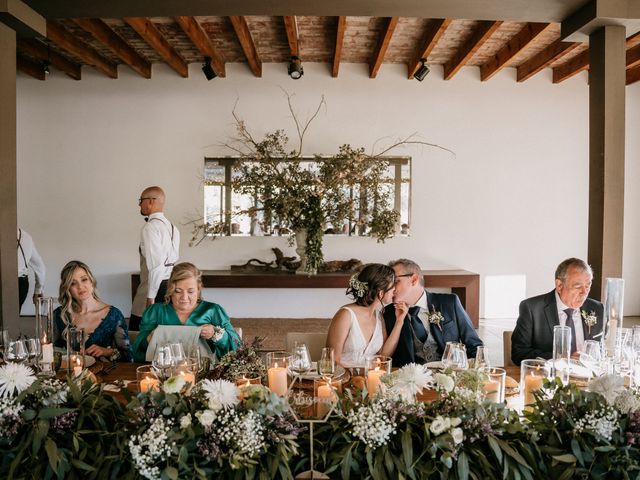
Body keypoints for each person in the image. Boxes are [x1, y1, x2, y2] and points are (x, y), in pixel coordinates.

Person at [383, 258, 483, 367]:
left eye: (396, 281)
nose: (390, 287)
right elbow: (388, 358)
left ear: (414, 280)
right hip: (412, 380)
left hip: (450, 376)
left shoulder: (449, 303)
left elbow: (474, 345)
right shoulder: (388, 313)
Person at [131, 262, 239, 362]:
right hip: (163, 372)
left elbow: (237, 347)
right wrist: (149, 339)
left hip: (205, 374)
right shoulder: (155, 311)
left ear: (198, 289)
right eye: (178, 291)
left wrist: (215, 334)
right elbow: (137, 353)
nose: (184, 297)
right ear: (170, 290)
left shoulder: (213, 311)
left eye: (190, 291)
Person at [511, 258, 604, 366]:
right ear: (559, 285)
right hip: (550, 378)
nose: (584, 292)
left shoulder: (597, 309)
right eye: (577, 286)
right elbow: (518, 353)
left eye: (588, 285)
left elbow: (601, 350)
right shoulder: (532, 309)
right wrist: (561, 359)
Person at [326, 263, 407, 368]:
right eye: (392, 287)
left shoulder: (378, 316)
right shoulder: (346, 315)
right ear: (381, 293)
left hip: (371, 379)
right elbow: (332, 360)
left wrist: (399, 321)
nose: (395, 290)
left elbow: (384, 355)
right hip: (344, 379)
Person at [53, 260, 132, 362]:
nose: (80, 286)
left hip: (104, 375)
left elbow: (128, 357)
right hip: (69, 376)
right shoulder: (60, 315)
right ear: (67, 289)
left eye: (84, 279)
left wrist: (107, 352)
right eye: (73, 283)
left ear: (92, 281)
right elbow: (50, 352)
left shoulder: (113, 315)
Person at [130, 186, 180, 331]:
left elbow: (156, 266)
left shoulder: (150, 228)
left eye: (141, 200)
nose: (139, 204)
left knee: (137, 333)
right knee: (163, 332)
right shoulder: (173, 228)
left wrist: (150, 298)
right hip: (168, 287)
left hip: (151, 288)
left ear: (151, 201)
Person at [17, 228, 46, 313]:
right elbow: (40, 266)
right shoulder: (25, 237)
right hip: (20, 283)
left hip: (15, 282)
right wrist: (38, 290)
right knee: (12, 320)